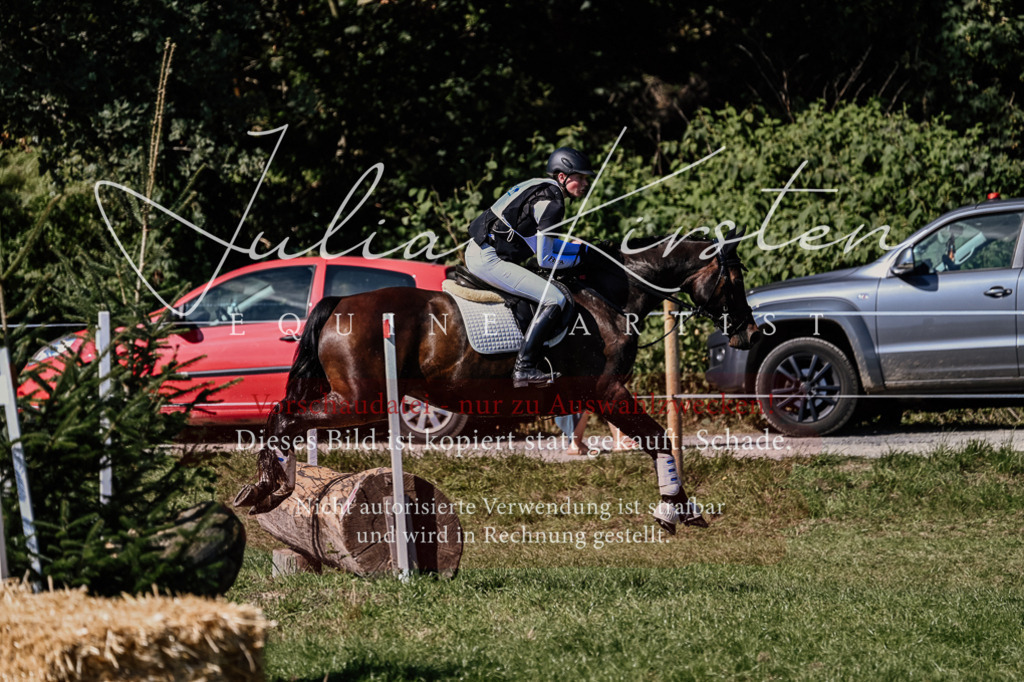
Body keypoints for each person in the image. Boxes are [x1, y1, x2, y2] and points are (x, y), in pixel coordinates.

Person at [466, 147, 594, 387]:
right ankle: (524, 367)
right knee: (554, 299)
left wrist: (582, 249)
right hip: (489, 259)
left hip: (478, 249)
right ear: (562, 176)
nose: (586, 183)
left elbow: (540, 244)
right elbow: (545, 260)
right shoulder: (553, 204)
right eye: (581, 177)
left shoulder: (538, 185)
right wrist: (580, 260)